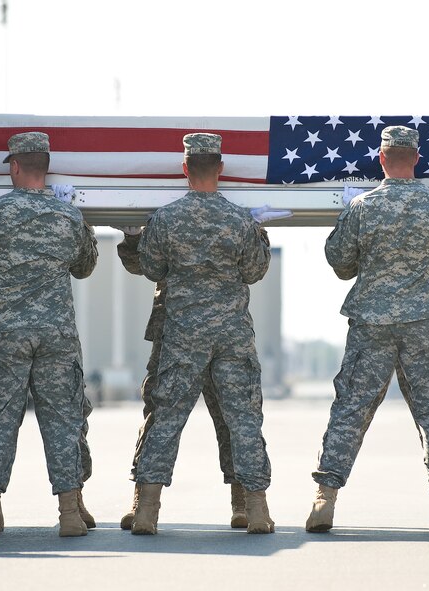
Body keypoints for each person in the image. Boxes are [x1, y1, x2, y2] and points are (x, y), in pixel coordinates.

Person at [306, 125, 429, 534]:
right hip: (423, 326)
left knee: (350, 412)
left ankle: (324, 500)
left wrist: (349, 218)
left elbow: (341, 263)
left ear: (382, 158)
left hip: (371, 326)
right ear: (416, 159)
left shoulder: (363, 207)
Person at [0, 131, 99, 538]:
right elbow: (84, 267)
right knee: (63, 422)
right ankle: (69, 514)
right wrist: (81, 221)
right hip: (56, 333)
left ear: (13, 166)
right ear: (45, 168)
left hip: (6, 333)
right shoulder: (67, 216)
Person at [129, 133, 276, 535]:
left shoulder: (166, 218)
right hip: (231, 336)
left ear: (184, 169)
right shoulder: (239, 219)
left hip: (182, 335)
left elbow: (154, 269)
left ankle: (147, 512)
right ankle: (257, 510)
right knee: (243, 419)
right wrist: (260, 234)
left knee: (167, 418)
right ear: (221, 169)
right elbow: (254, 272)